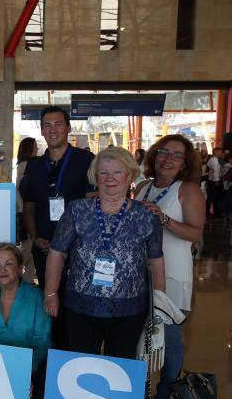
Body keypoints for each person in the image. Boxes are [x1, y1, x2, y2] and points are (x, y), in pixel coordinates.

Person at [44, 147, 166, 359]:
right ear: (95, 176)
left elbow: (155, 262)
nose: (110, 179)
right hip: (80, 306)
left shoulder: (146, 215)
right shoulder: (77, 210)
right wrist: (51, 293)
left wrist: (160, 308)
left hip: (129, 310)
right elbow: (57, 253)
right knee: (80, 364)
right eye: (103, 173)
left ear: (129, 175)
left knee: (121, 369)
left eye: (117, 172)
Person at [134, 134, 205, 399]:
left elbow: (194, 234)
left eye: (176, 155)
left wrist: (164, 219)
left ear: (185, 163)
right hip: (139, 274)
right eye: (163, 152)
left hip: (173, 275)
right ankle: (138, 395)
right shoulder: (142, 187)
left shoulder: (187, 190)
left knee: (170, 340)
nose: (167, 159)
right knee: (140, 338)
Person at [20, 106, 95, 289]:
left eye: (58, 124)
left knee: (74, 302)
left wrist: (67, 241)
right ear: (42, 130)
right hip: (44, 249)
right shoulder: (35, 167)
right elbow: (29, 208)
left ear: (68, 128)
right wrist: (36, 238)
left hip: (78, 249)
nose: (52, 130)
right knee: (49, 298)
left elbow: (94, 206)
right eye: (47, 125)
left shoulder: (86, 160)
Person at [0, 242, 51, 398]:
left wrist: (23, 373)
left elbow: (42, 342)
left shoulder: (37, 297)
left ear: (20, 268)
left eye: (9, 264)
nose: (2, 270)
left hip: (29, 369)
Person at [15, 137, 38, 284]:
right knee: (29, 249)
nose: (36, 149)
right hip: (27, 211)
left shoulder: (22, 166)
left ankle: (28, 279)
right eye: (34, 147)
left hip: (23, 210)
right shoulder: (28, 166)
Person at [205, 146, 223, 218]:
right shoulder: (214, 160)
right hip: (214, 181)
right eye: (220, 151)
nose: (221, 153)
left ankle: (208, 213)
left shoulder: (212, 159)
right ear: (216, 152)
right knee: (214, 198)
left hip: (211, 181)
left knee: (211, 198)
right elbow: (215, 172)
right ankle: (212, 213)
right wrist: (217, 181)